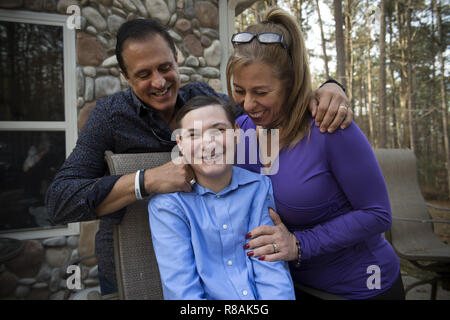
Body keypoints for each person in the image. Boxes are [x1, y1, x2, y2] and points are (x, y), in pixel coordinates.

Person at [45, 18, 351, 296]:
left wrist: (328, 87)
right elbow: (60, 201)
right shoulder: (109, 117)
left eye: (165, 67)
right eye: (142, 74)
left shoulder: (202, 98)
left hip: (222, 266)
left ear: (177, 57)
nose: (159, 81)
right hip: (131, 264)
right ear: (124, 75)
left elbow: (261, 104)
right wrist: (147, 180)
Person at [228, 7, 404, 300]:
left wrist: (299, 244)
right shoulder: (242, 130)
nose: (247, 104)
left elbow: (377, 214)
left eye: (260, 92)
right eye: (238, 90)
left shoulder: (329, 127)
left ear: (291, 83)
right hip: (286, 288)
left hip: (360, 288)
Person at [148, 96, 295, 300]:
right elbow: (183, 292)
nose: (208, 143)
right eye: (193, 135)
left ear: (236, 132)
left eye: (218, 130)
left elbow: (270, 270)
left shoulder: (258, 187)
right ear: (180, 144)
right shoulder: (168, 207)